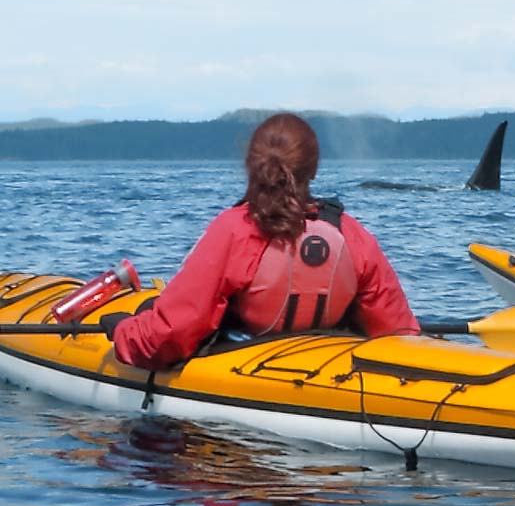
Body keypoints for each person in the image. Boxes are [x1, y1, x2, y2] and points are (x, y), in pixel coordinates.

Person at [108, 113, 419, 371]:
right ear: (312, 170)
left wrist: (124, 332)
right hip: (325, 370)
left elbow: (169, 335)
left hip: (242, 378)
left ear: (250, 166)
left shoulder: (235, 231)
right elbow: (399, 332)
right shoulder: (351, 234)